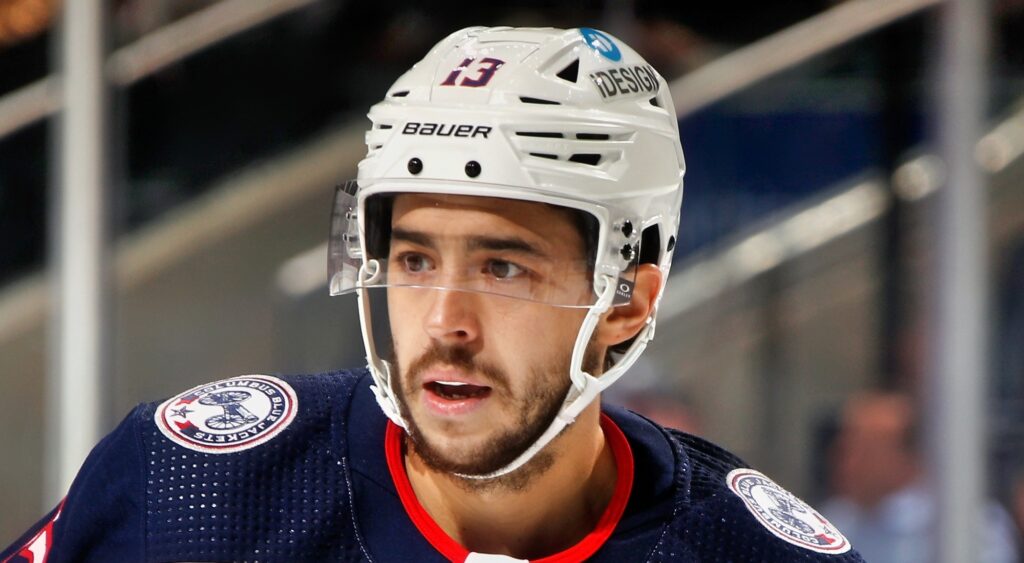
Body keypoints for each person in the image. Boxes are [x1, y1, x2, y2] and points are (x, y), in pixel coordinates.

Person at [2, 26, 862, 562]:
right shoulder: (191, 488)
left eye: (504, 268)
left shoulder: (747, 548)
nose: (446, 323)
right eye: (414, 261)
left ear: (628, 300)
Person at [822, 391, 1018, 563]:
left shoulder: (971, 524)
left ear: (910, 458)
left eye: (864, 451)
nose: (845, 462)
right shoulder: (831, 523)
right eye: (843, 449)